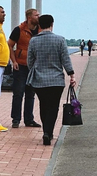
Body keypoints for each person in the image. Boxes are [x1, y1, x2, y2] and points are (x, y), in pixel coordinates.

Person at [27, 14, 76, 146]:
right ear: (52, 24)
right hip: (56, 80)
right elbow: (65, 59)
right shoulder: (60, 40)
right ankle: (49, 132)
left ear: (39, 25)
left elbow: (29, 61)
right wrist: (71, 75)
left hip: (39, 80)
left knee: (43, 105)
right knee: (53, 107)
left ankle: (46, 131)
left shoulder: (33, 41)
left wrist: (36, 69)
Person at [8, 8, 41, 129]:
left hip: (34, 67)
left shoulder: (40, 30)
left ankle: (29, 119)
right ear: (29, 18)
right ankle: (15, 119)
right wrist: (14, 61)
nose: (39, 17)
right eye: (36, 15)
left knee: (31, 94)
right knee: (18, 93)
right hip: (20, 66)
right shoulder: (19, 30)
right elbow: (10, 45)